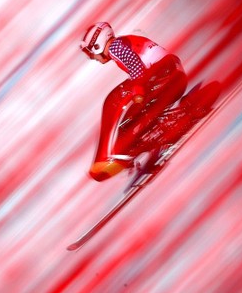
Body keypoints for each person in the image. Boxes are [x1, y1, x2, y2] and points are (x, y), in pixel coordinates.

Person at [80, 22, 187, 181]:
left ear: (97, 45)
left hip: (164, 77)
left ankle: (112, 156)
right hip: (175, 75)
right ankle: (154, 143)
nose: (92, 58)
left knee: (119, 109)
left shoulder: (115, 47)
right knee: (136, 115)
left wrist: (137, 91)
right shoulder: (124, 42)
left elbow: (135, 64)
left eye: (91, 53)